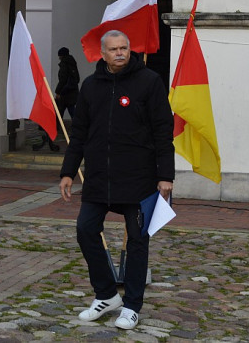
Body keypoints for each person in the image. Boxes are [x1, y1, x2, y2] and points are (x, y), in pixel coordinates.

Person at [58, 30, 174, 330]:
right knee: (85, 230)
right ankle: (107, 294)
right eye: (113, 49)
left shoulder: (149, 82)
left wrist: (165, 176)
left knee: (137, 241)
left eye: (124, 47)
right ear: (103, 53)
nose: (120, 53)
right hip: (99, 178)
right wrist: (68, 171)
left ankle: (132, 306)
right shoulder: (91, 85)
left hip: (139, 179)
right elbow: (79, 132)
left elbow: (163, 130)